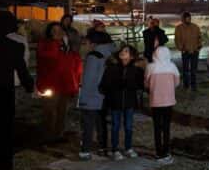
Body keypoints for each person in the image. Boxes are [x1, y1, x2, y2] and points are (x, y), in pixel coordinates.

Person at [0, 11, 35, 170]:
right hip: (5, 90)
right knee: (5, 126)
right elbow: (22, 70)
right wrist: (29, 86)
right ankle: (5, 162)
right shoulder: (14, 46)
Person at [37, 22, 82, 139]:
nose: (57, 32)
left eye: (59, 30)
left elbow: (74, 62)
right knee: (49, 111)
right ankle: (48, 134)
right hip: (50, 83)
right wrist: (56, 43)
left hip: (65, 83)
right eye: (54, 30)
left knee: (62, 111)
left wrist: (75, 81)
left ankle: (59, 133)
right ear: (50, 32)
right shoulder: (45, 44)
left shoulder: (67, 45)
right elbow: (49, 58)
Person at [99, 45, 145, 161]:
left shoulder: (136, 70)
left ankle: (128, 148)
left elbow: (140, 85)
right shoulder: (112, 68)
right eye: (122, 50)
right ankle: (115, 149)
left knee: (129, 126)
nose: (123, 52)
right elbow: (104, 85)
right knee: (115, 126)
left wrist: (131, 85)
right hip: (116, 101)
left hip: (129, 101)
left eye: (126, 51)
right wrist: (115, 86)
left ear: (132, 56)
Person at [76, 31, 116, 160]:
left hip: (92, 94)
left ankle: (85, 150)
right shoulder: (111, 54)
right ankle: (102, 147)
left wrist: (83, 99)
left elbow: (88, 79)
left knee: (88, 123)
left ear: (93, 43)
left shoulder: (94, 56)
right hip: (106, 94)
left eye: (86, 43)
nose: (85, 46)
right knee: (101, 123)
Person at [145, 46, 180, 163]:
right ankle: (166, 152)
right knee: (166, 127)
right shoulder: (172, 67)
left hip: (155, 101)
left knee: (156, 127)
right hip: (169, 101)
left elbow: (146, 83)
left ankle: (158, 152)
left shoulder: (150, 67)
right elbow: (177, 82)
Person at [174, 12, 201, 91]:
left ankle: (193, 85)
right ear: (183, 19)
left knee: (193, 70)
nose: (188, 20)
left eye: (189, 18)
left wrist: (199, 46)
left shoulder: (195, 27)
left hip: (195, 51)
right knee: (185, 70)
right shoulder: (179, 28)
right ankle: (186, 85)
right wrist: (182, 48)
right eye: (187, 18)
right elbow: (177, 40)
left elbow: (199, 37)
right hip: (185, 51)